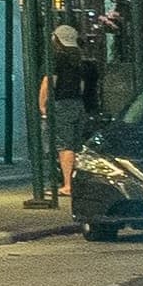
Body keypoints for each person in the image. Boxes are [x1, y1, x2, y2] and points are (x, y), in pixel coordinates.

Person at [39, 17, 103, 204]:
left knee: (63, 145)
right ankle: (73, 181)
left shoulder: (56, 58)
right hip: (77, 104)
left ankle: (67, 184)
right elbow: (82, 86)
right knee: (75, 145)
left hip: (61, 104)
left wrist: (42, 105)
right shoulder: (79, 60)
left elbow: (48, 82)